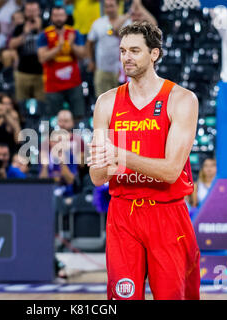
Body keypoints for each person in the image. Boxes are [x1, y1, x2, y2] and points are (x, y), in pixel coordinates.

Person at [87, 22, 200, 300]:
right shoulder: (106, 102)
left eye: (135, 50)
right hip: (123, 212)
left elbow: (171, 171)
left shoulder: (181, 99)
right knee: (122, 298)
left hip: (167, 213)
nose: (127, 57)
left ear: (154, 54)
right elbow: (97, 176)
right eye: (123, 50)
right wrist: (105, 161)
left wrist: (120, 156)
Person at [37, 6, 86, 119]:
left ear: (65, 17)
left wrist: (72, 45)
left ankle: (77, 137)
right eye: (56, 15)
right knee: (53, 118)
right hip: (53, 84)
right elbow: (42, 58)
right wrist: (58, 47)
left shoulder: (73, 33)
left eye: (61, 15)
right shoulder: (44, 35)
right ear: (52, 17)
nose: (58, 18)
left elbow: (83, 55)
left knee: (78, 116)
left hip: (73, 82)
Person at [87, 0, 131, 97]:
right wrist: (91, 61)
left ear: (118, 6)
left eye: (111, 6)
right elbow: (89, 43)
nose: (109, 9)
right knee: (102, 101)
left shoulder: (128, 22)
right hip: (102, 69)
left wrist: (126, 16)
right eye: (106, 6)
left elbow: (114, 30)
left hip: (122, 70)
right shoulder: (98, 23)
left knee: (122, 102)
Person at [9, 0, 45, 101]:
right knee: (21, 103)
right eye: (29, 11)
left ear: (39, 11)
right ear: (24, 12)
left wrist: (40, 30)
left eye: (34, 10)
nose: (32, 14)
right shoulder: (20, 27)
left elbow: (52, 44)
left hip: (42, 73)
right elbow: (11, 45)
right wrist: (25, 33)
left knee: (42, 104)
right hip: (23, 72)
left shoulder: (46, 26)